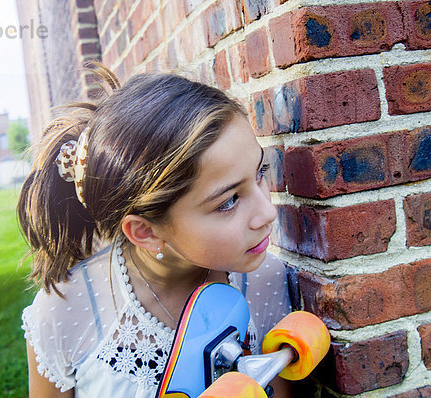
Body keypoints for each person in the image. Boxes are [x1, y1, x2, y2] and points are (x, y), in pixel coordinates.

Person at [18, 64, 293, 397]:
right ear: (145, 232)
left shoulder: (266, 278)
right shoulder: (65, 310)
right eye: (229, 201)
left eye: (260, 172)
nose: (267, 212)